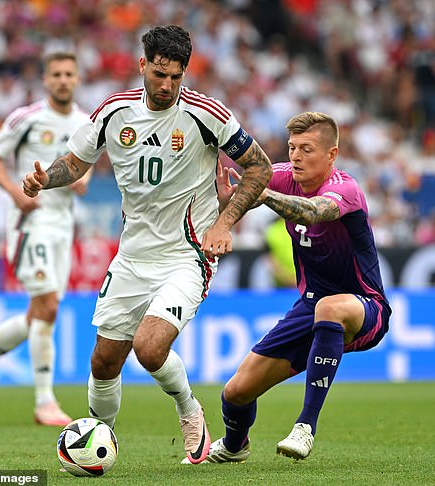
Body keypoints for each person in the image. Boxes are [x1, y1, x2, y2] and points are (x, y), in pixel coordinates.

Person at [21, 25, 272, 464]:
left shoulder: (206, 114)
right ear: (143, 65)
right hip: (133, 255)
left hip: (187, 255)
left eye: (176, 77)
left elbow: (260, 167)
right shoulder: (114, 112)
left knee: (151, 346)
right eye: (159, 74)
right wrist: (46, 180)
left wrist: (225, 223)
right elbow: (75, 162)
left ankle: (189, 408)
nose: (167, 86)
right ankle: (98, 445)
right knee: (103, 363)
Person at [190, 111, 391, 463]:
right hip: (310, 305)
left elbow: (313, 212)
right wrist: (228, 205)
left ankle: (305, 427)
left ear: (331, 155)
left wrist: (263, 194)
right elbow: (248, 192)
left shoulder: (345, 189)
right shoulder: (282, 176)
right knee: (236, 392)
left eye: (307, 149)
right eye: (291, 147)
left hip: (365, 306)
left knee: (329, 307)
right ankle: (235, 446)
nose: (295, 156)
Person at [0, 52, 92, 426]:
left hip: (63, 225)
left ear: (77, 79)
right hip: (31, 223)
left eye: (69, 74)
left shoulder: (85, 123)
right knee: (46, 306)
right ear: (45, 79)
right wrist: (15, 193)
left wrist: (82, 180)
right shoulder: (26, 117)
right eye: (56, 74)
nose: (63, 80)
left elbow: (87, 169)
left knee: (40, 313)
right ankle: (45, 401)